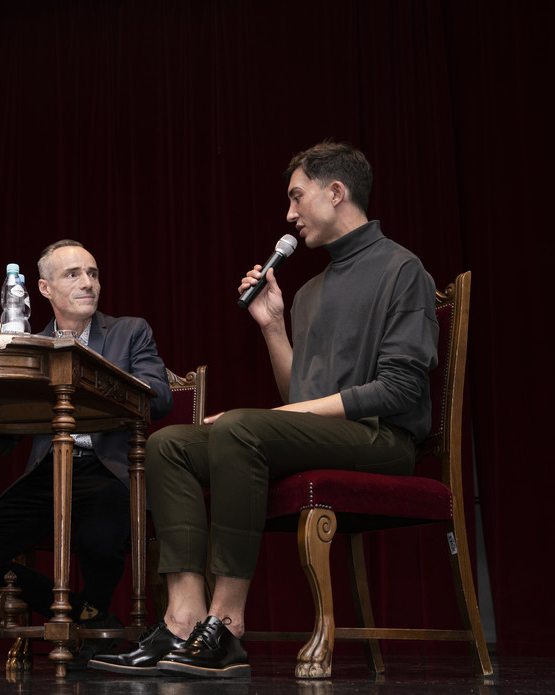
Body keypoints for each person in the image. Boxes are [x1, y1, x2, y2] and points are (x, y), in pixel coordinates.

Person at [89, 142, 439, 678]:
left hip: (383, 440)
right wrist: (273, 325)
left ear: (336, 192)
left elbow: (400, 390)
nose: (290, 215)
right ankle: (183, 619)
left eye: (297, 198)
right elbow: (299, 394)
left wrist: (267, 420)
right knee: (170, 444)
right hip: (329, 436)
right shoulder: (310, 291)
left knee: (240, 428)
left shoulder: (401, 268)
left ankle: (226, 626)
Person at [0, 239, 174, 667]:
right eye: (73, 274)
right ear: (44, 289)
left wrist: (92, 377)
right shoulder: (27, 346)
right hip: (49, 473)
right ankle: (86, 615)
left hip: (109, 470)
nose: (88, 283)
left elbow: (159, 398)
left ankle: (89, 625)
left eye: (93, 273)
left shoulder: (130, 331)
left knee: (97, 536)